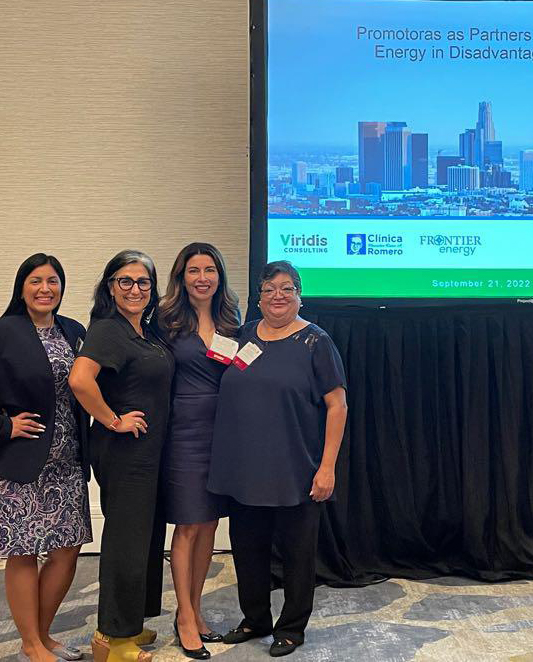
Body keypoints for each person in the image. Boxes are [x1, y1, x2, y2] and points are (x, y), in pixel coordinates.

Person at [0, 253, 91, 662]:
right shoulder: (1, 332)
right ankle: (30, 644)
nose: (46, 289)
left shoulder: (74, 331)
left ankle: (43, 635)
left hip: (68, 462)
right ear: (21, 287)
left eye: (54, 281)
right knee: (23, 550)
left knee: (66, 550)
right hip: (18, 464)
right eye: (36, 281)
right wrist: (0, 426)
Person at [207, 260, 347, 658]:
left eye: (287, 289)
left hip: (296, 470)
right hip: (244, 470)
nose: (278, 297)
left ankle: (291, 627)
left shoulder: (316, 342)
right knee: (247, 550)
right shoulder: (244, 335)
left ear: (300, 295)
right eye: (269, 290)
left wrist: (327, 467)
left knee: (298, 556)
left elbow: (337, 407)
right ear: (258, 297)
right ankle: (254, 619)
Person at [68, 250, 173, 662]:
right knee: (126, 542)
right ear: (110, 287)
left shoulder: (143, 331)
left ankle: (130, 623)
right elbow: (80, 380)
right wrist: (113, 420)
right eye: (125, 281)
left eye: (143, 282)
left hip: (150, 452)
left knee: (144, 539)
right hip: (125, 453)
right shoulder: (109, 329)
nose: (135, 289)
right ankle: (113, 639)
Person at [158, 242, 240, 659]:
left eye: (210, 269)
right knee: (188, 524)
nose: (202, 277)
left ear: (219, 276)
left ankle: (196, 607)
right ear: (181, 276)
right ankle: (185, 616)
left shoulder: (231, 318)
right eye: (194, 270)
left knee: (209, 524)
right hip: (182, 433)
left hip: (222, 433)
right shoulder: (165, 318)